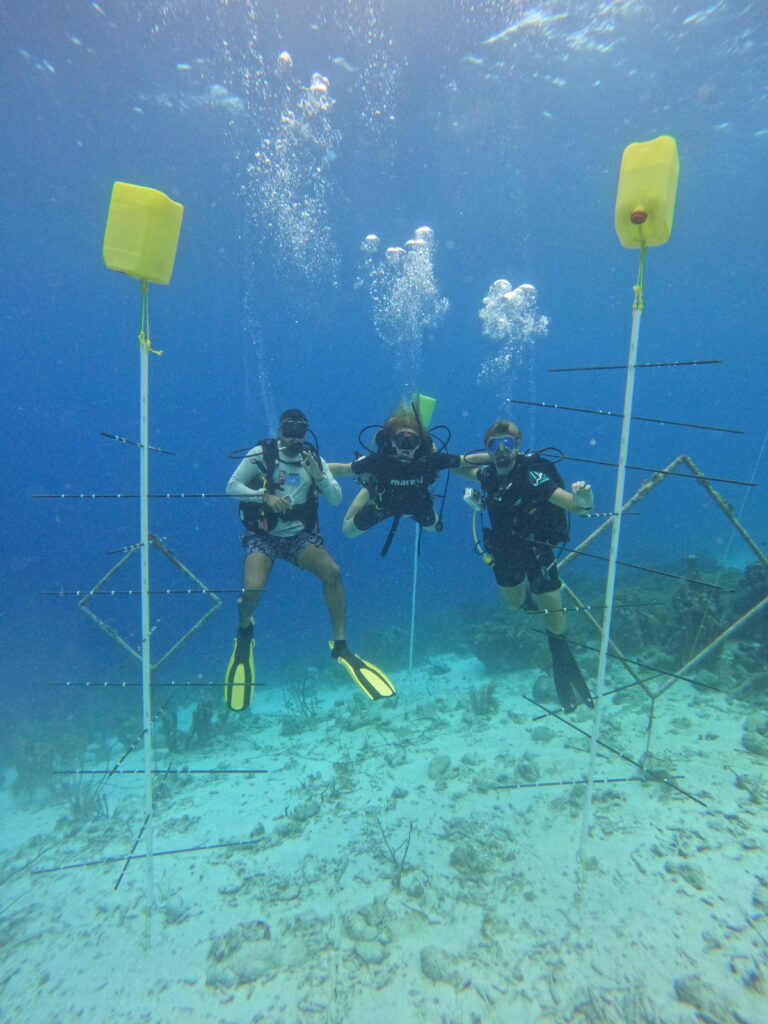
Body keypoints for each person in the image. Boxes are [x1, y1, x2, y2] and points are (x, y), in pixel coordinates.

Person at [224, 408, 395, 708]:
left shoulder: (313, 460)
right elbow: (231, 487)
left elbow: (336, 499)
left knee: (332, 572)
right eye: (288, 429)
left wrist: (319, 476)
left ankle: (341, 646)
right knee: (252, 589)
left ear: (306, 432)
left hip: (298, 537)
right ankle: (243, 631)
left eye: (299, 430)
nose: (293, 436)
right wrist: (264, 497)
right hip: (262, 535)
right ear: (280, 430)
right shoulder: (261, 454)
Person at [465, 418, 595, 713]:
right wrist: (489, 455)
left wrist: (585, 499)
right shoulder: (486, 475)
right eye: (494, 445)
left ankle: (560, 653)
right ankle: (528, 602)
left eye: (508, 444)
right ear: (488, 449)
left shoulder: (533, 476)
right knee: (513, 603)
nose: (502, 450)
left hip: (537, 548)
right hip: (504, 550)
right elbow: (458, 467)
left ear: (518, 446)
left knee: (553, 613)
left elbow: (576, 505)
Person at [328, 404, 480, 553]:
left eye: (412, 441)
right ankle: (369, 490)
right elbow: (343, 468)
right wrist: (309, 468)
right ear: (392, 442)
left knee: (434, 528)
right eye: (401, 441)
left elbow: (466, 460)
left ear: (419, 443)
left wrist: (496, 456)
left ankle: (400, 504)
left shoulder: (429, 460)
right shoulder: (378, 462)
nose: (406, 447)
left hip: (416, 504)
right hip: (383, 504)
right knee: (348, 530)